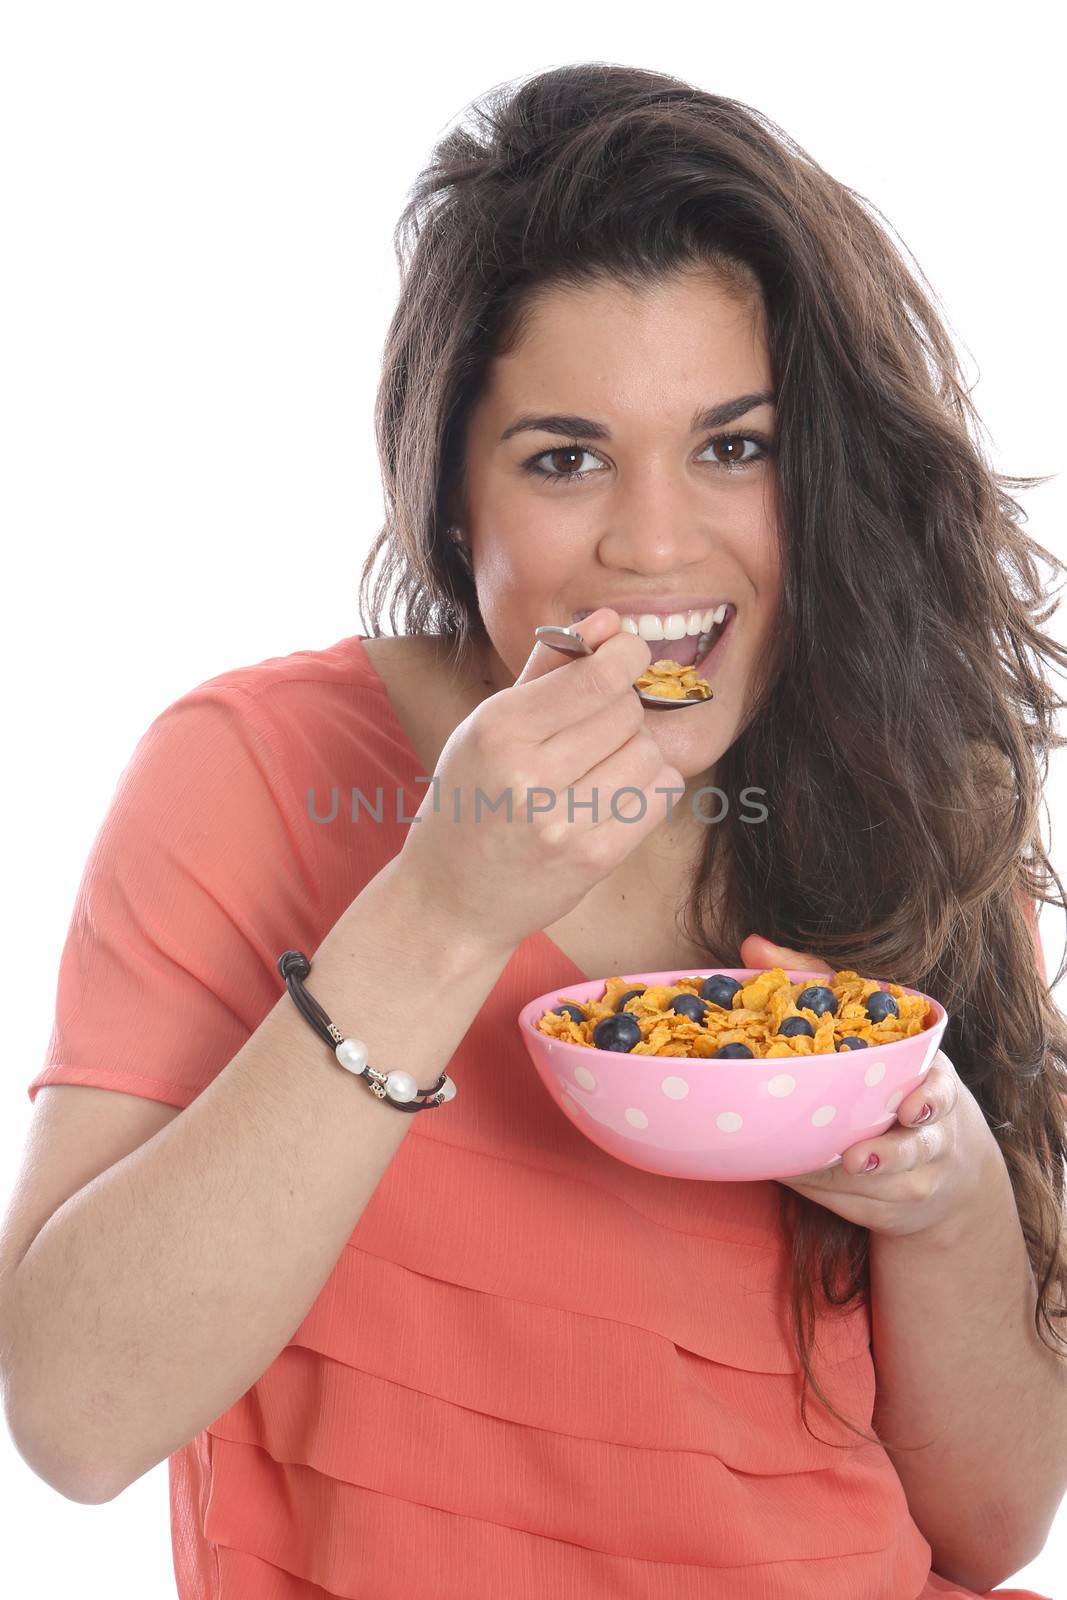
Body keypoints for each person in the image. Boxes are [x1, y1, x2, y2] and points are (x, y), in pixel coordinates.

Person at [1, 63, 1065, 1600]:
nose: (653, 543)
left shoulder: (910, 796)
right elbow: (75, 1424)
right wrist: (442, 910)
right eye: (566, 458)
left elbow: (995, 1527)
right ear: (451, 504)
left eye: (735, 447)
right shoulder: (252, 773)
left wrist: (947, 1191)